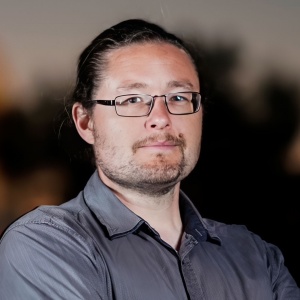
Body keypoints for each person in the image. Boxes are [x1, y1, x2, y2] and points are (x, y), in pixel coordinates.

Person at [0, 19, 299, 300]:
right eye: (131, 100)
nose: (160, 118)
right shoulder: (45, 244)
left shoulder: (257, 256)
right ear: (85, 122)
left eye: (179, 98)